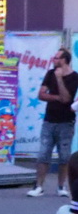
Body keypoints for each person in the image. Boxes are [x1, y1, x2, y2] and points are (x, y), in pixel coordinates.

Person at [31, 47, 78, 197]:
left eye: (57, 58)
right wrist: (55, 97)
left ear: (64, 60)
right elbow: (41, 94)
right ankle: (39, 186)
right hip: (49, 120)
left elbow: (67, 99)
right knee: (43, 153)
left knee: (64, 156)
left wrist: (59, 79)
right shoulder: (50, 73)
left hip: (66, 122)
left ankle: (61, 186)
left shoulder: (74, 76)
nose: (54, 60)